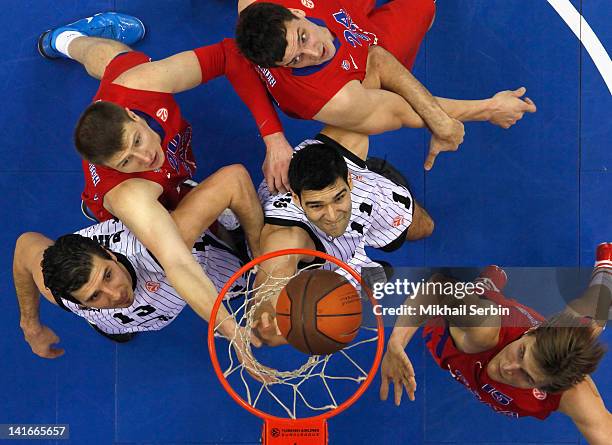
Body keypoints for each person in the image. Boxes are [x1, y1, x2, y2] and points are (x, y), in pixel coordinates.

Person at [36, 13, 270, 343]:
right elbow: (176, 261)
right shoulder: (128, 193)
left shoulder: (139, 82)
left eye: (137, 140)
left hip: (135, 125)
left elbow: (227, 55)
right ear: (112, 167)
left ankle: (63, 39)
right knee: (176, 238)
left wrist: (272, 137)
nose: (145, 157)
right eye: (126, 160)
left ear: (132, 115)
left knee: (110, 57)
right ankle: (95, 206)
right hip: (144, 197)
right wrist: (232, 331)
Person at [236, 0, 537, 170]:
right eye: (296, 60)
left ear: (297, 12)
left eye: (303, 38)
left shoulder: (256, 4)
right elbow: (404, 109)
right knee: (422, 8)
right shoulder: (333, 98)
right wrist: (487, 109)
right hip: (361, 68)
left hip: (337, 10)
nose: (314, 53)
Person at [14, 159, 264, 357]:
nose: (115, 294)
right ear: (78, 303)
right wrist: (30, 325)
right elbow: (25, 247)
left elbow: (234, 178)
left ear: (110, 254)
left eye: (108, 275)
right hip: (120, 318)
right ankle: (109, 324)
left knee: (240, 281)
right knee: (114, 326)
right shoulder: (59, 292)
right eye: (94, 296)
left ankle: (187, 196)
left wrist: (260, 255)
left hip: (187, 259)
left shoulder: (157, 246)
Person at [379, 247, 612, 444]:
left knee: (591, 324)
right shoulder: (484, 329)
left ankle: (488, 287)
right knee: (593, 317)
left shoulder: (571, 394)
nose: (509, 367)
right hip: (451, 327)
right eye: (521, 353)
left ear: (547, 388)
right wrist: (395, 343)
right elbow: (438, 288)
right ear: (531, 332)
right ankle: (484, 288)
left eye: (527, 377)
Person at [250, 126, 434, 344]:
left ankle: (380, 176)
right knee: (320, 306)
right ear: (297, 199)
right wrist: (266, 310)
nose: (331, 215)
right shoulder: (284, 237)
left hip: (362, 205)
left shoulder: (342, 145)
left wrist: (450, 118)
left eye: (337, 199)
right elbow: (275, 272)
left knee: (425, 227)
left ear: (349, 181)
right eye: (317, 205)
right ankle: (358, 270)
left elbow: (377, 100)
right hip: (324, 254)